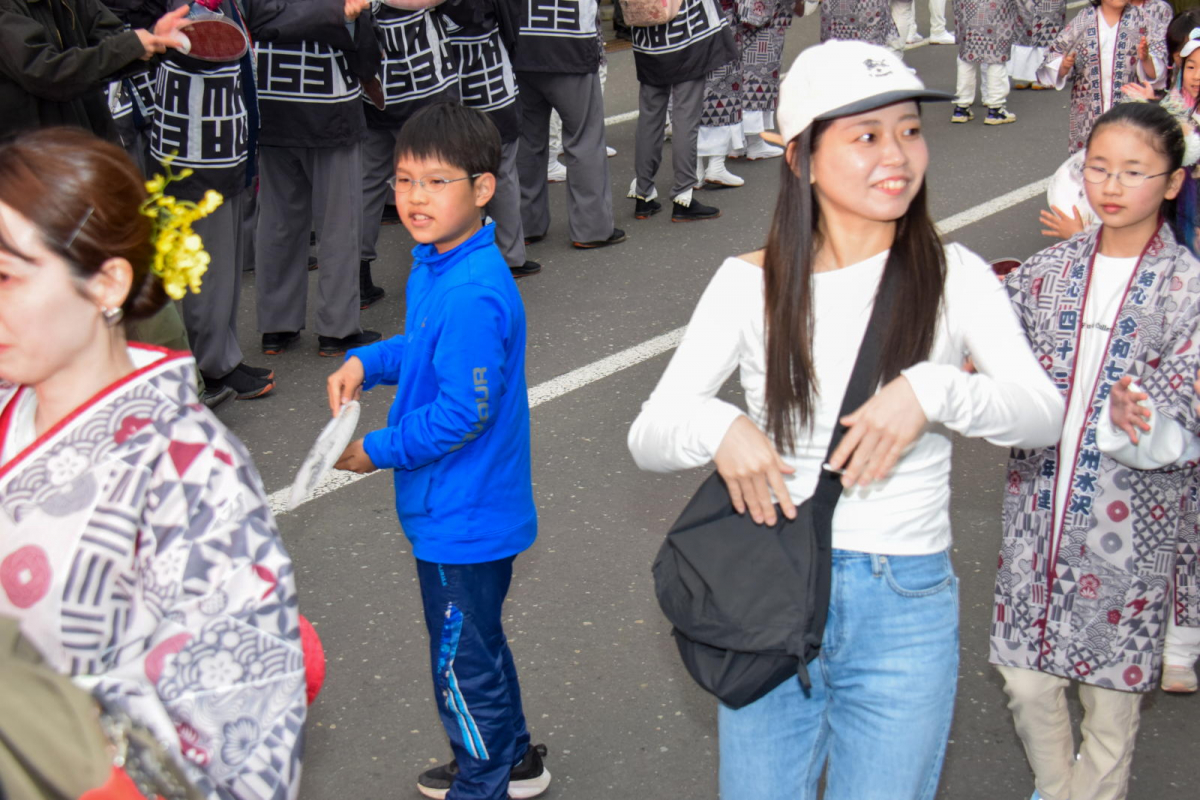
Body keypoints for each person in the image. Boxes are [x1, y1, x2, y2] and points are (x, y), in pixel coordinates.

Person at [628, 40, 1063, 800]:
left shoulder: (953, 274)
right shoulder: (748, 283)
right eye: (865, 136)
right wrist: (718, 429)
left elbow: (1041, 415)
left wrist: (936, 390)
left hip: (907, 602)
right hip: (771, 592)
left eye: (908, 130)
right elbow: (651, 433)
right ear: (799, 158)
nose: (896, 153)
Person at [0, 127, 306, 799]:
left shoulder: (191, 473)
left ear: (107, 281)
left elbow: (245, 750)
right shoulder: (11, 407)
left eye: (5, 276)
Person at [324, 102, 548, 800]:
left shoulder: (473, 291)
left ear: (482, 190)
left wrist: (378, 449)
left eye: (437, 182)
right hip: (459, 508)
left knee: (458, 662)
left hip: (465, 515)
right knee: (477, 642)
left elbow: (464, 410)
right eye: (404, 180)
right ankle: (510, 757)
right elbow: (426, 351)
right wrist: (369, 360)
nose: (415, 198)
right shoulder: (440, 263)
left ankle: (481, 781)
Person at [993, 101, 1200, 800]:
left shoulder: (1187, 289)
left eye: (1134, 172)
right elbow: (998, 365)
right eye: (1098, 168)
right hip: (1038, 509)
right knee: (1025, 680)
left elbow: (1180, 425)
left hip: (1129, 522)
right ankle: (1058, 790)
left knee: (1109, 703)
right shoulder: (1047, 271)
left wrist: (1137, 421)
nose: (1110, 186)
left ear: (1172, 183)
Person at [254, 0, 382, 359]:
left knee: (278, 222)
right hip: (330, 108)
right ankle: (336, 329)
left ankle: (276, 326)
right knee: (338, 223)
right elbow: (364, 54)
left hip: (272, 101)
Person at [359, 4, 460, 302]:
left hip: (377, 87)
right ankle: (445, 265)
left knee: (369, 184)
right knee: (437, 178)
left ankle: (357, 273)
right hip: (424, 86)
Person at [439, 0, 541, 278]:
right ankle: (510, 256)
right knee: (503, 171)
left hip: (446, 84)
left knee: (456, 175)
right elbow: (512, 26)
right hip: (492, 83)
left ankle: (461, 254)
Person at [511, 0, 623, 250]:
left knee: (526, 141)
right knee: (584, 137)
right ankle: (591, 229)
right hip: (571, 42)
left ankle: (526, 224)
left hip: (521, 40)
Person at [0, 0, 189, 140]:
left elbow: (112, 39)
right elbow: (46, 72)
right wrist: (130, 46)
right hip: (31, 156)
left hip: (89, 139)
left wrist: (155, 38)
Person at [629, 0, 735, 223]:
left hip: (646, 33)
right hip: (685, 33)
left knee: (650, 117)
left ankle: (643, 193)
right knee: (685, 116)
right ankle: (683, 196)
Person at [1038, 0, 1167, 153]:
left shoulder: (1145, 21)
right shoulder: (1083, 20)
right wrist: (1063, 66)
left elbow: (1158, 73)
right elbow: (1054, 54)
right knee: (1090, 162)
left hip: (1130, 110)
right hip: (1087, 110)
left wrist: (1146, 59)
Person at [950, 0, 1019, 124]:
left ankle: (962, 106)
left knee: (966, 55)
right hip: (997, 8)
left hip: (966, 6)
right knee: (996, 55)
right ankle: (995, 108)